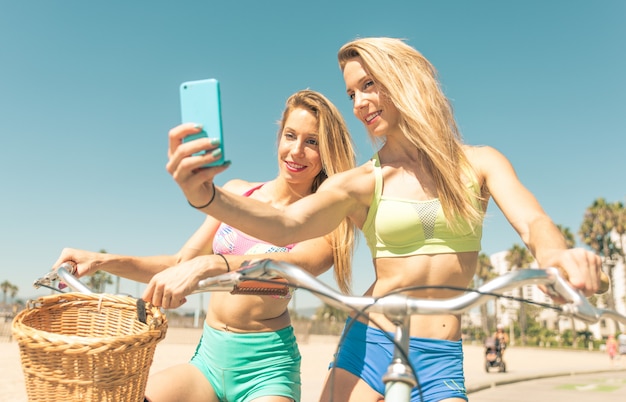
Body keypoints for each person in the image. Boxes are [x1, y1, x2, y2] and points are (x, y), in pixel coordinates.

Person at [166, 37, 603, 402]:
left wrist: (558, 255)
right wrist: (207, 196)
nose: (359, 103)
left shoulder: (480, 163)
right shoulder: (361, 182)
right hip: (372, 341)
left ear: (403, 78)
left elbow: (533, 223)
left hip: (439, 353)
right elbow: (285, 226)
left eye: (369, 84)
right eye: (352, 93)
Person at [53, 89, 357, 402]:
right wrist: (102, 261)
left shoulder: (325, 220)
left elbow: (293, 269)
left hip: (265, 369)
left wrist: (214, 264)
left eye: (312, 142)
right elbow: (180, 262)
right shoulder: (238, 193)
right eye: (290, 135)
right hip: (208, 361)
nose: (296, 151)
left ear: (327, 152)